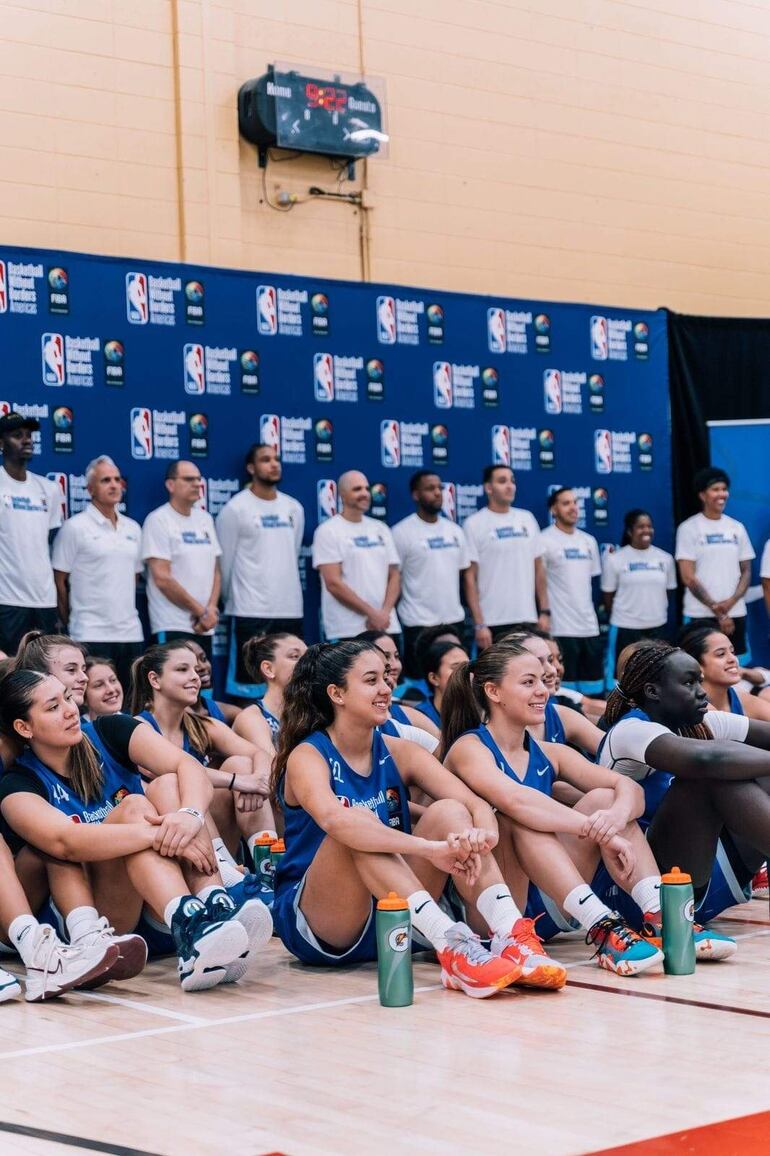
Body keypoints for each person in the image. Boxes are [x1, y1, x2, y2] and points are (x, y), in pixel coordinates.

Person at [270, 640, 568, 996]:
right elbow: (337, 822)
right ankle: (451, 944)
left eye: (385, 677)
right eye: (371, 680)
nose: (386, 688)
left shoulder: (401, 751)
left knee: (450, 812)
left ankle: (509, 932)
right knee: (356, 828)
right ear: (337, 693)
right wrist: (429, 849)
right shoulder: (309, 755)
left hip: (399, 911)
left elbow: (473, 803)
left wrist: (480, 835)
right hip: (323, 924)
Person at [0, 668, 270, 992]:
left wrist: (191, 815)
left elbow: (188, 765)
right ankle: (191, 920)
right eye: (53, 707)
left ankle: (212, 906)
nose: (70, 709)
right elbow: (65, 842)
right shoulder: (18, 783)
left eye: (68, 698)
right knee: (134, 808)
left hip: (152, 905)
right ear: (23, 727)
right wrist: (157, 833)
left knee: (170, 783)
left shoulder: (109, 731)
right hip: (100, 919)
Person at [441, 641, 667, 976]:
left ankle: (661, 918)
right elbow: (516, 800)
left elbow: (629, 788)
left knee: (607, 800)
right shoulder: (469, 748)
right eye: (528, 682)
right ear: (494, 691)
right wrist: (594, 830)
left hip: (551, 897)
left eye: (543, 682)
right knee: (513, 817)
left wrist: (612, 821)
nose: (543, 691)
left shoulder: (549, 752)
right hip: (493, 912)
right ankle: (602, 926)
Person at [597, 639, 770, 941]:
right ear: (653, 692)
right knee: (707, 777)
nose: (701, 691)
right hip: (640, 892)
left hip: (705, 875)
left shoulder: (701, 721)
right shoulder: (629, 731)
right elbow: (707, 759)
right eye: (689, 683)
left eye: (699, 681)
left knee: (757, 769)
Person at [129, 643, 278, 873]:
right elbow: (179, 772)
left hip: (209, 835)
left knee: (241, 764)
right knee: (181, 784)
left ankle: (269, 868)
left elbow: (258, 753)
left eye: (196, 671)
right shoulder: (138, 728)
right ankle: (226, 872)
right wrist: (239, 781)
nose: (195, 677)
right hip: (169, 845)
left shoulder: (203, 725)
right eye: (182, 670)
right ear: (155, 680)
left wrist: (257, 779)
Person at [216, 444, 304, 698]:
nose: (274, 464)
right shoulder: (236, 509)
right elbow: (226, 562)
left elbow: (293, 551)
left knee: (292, 686)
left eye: (276, 459)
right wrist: (233, 598)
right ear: (251, 468)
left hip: (289, 608)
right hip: (249, 609)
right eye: (266, 460)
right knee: (248, 688)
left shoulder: (293, 508)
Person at [52, 456, 143, 690]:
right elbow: (59, 580)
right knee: (92, 705)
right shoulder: (75, 527)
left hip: (130, 633)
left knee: (130, 703)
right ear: (91, 488)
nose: (114, 485)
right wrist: (71, 619)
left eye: (117, 479)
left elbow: (133, 578)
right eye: (105, 480)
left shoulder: (133, 528)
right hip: (90, 632)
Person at [392, 472, 471, 679]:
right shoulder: (401, 532)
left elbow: (466, 576)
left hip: (453, 620)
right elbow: (393, 577)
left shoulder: (455, 531)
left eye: (439, 488)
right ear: (416, 495)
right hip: (418, 622)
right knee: (420, 683)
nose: (437, 493)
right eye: (430, 488)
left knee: (456, 682)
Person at [141, 461, 222, 658]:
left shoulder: (205, 519)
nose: (196, 484)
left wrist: (210, 609)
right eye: (188, 479)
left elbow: (216, 570)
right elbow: (162, 578)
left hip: (205, 625)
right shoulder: (158, 520)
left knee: (202, 687)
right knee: (174, 686)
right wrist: (200, 612)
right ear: (170, 485)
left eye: (198, 479)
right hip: (172, 623)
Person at [463, 465, 548, 650]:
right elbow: (470, 578)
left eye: (512, 481)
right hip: (493, 621)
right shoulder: (474, 523)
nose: (510, 486)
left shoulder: (527, 519)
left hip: (527, 618)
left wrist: (544, 611)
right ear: (488, 488)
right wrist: (479, 623)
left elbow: (539, 569)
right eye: (502, 481)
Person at [312, 470, 400, 642]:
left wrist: (383, 613)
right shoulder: (328, 531)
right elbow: (333, 583)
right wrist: (371, 613)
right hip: (347, 628)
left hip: (386, 625)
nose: (365, 494)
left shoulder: (381, 528)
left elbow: (395, 575)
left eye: (367, 489)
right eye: (357, 489)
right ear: (342, 495)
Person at [675, 467, 754, 658]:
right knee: (698, 667)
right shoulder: (688, 528)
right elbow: (688, 576)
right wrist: (717, 610)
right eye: (715, 489)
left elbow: (746, 571)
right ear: (702, 495)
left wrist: (730, 604)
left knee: (736, 666)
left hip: (735, 612)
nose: (722, 494)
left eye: (724, 489)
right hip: (700, 613)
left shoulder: (737, 528)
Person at [0, 412, 62, 655]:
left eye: (29, 435)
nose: (26, 440)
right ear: (1, 443)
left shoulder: (49, 489)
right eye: (17, 436)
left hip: (44, 600)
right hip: (6, 599)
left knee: (44, 673)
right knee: (8, 674)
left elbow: (46, 541)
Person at [601, 509, 676, 688]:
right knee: (621, 676)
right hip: (626, 627)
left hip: (657, 627)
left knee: (657, 674)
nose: (646, 530)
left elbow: (669, 591)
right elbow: (608, 597)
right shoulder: (615, 559)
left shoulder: (665, 559)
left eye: (649, 526)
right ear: (629, 531)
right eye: (640, 526)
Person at [538, 487, 603, 694]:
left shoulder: (588, 541)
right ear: (553, 510)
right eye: (566, 503)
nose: (573, 507)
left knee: (594, 690)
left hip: (589, 627)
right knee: (564, 693)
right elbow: (538, 583)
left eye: (575, 502)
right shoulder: (544, 540)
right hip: (560, 628)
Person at [500, 630, 603, 756]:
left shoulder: (559, 713)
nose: (553, 669)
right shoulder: (483, 733)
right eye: (537, 662)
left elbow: (612, 748)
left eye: (551, 660)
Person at [355, 630, 439, 750]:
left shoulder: (408, 712)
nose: (394, 665)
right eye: (386, 657)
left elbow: (445, 751)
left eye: (397, 656)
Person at [232, 633, 308, 751]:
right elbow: (273, 767)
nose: (307, 662)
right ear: (268, 669)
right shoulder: (251, 719)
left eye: (308, 655)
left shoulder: (313, 713)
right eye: (295, 656)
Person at [680, 626, 770, 721]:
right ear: (696, 665)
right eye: (721, 654)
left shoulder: (743, 701)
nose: (733, 659)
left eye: (732, 652)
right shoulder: (688, 710)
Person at [414, 641, 470, 731]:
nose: (467, 673)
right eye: (456, 667)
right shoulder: (417, 718)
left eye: (468, 667)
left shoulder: (482, 713)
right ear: (434, 678)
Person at [186, 639, 241, 726]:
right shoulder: (166, 717)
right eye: (186, 666)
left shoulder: (220, 711)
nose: (203, 667)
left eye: (203, 659)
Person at [83, 656, 124, 720]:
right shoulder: (78, 729)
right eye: (99, 685)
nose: (111, 689)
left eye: (113, 680)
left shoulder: (138, 722)